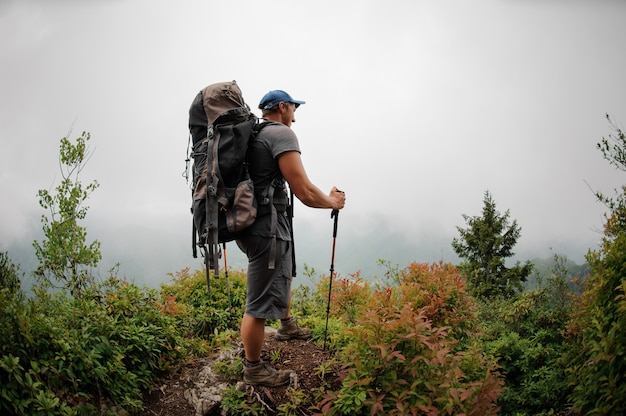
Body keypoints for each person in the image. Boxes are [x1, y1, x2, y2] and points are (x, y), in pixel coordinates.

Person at [237, 89, 346, 387]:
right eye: (294, 108)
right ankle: (254, 369)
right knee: (257, 304)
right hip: (266, 228)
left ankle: (287, 325)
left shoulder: (254, 134)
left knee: (283, 271)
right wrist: (333, 202)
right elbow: (305, 191)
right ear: (282, 107)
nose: (295, 115)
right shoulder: (281, 135)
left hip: (254, 224)